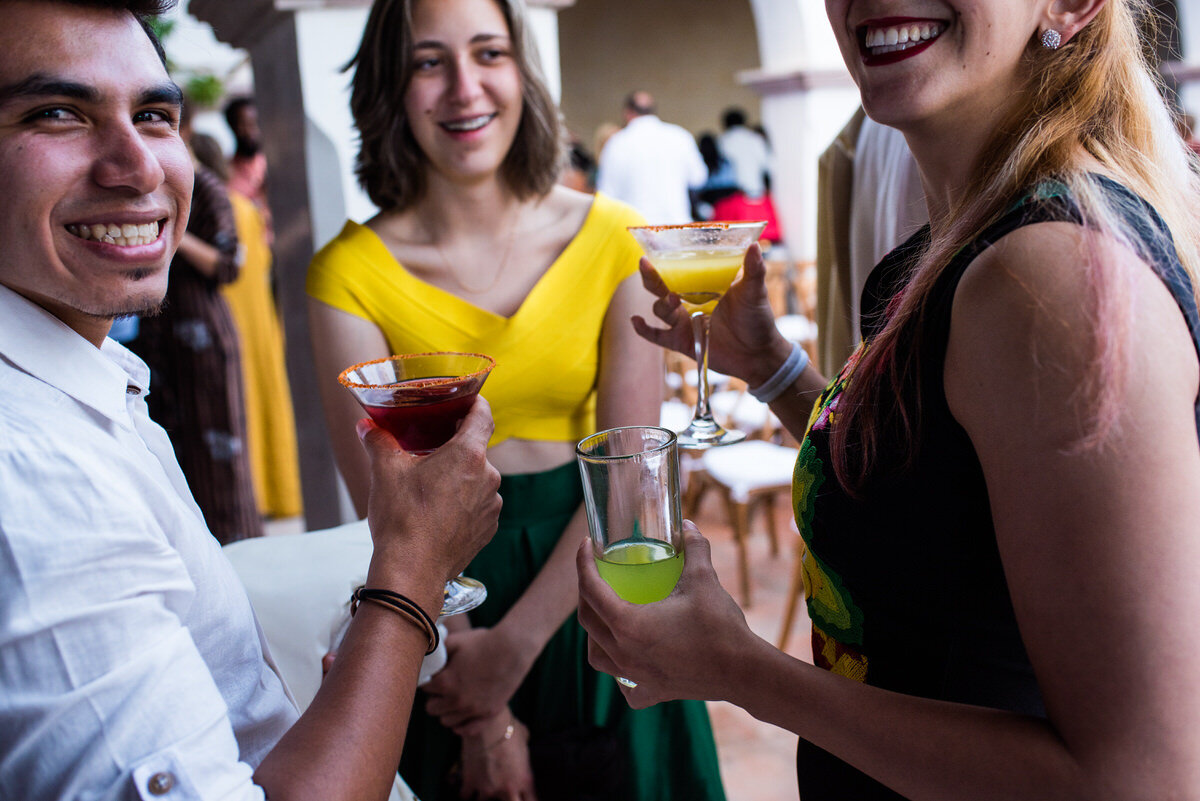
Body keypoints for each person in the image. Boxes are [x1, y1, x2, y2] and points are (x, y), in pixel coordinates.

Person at [579, 2, 1200, 800]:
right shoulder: (963, 240)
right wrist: (770, 365)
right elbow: (923, 496)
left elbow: (1138, 780)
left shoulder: (1050, 278)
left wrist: (740, 668)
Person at [0, 3, 502, 800]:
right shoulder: (31, 472)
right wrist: (408, 573)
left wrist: (379, 620)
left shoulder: (89, 381)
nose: (138, 166)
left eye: (155, 114)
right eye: (57, 113)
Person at [305, 1, 726, 799]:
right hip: (440, 608)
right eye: (429, 61)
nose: (465, 87)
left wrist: (515, 649)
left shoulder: (614, 238)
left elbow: (632, 480)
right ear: (389, 87)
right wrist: (481, 703)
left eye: (488, 52)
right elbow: (387, 506)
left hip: (598, 583)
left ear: (522, 74)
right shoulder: (346, 274)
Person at [130, 105, 262, 543]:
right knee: (169, 455)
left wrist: (171, 230)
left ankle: (239, 567)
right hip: (160, 335)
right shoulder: (155, 182)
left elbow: (228, 265)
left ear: (182, 128)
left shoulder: (204, 186)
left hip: (203, 335)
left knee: (220, 460)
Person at [595, 89, 706, 224]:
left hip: (635, 229)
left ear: (627, 113)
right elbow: (698, 178)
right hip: (676, 225)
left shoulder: (617, 143)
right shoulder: (680, 136)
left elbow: (606, 195)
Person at [716, 106, 771, 200]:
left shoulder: (722, 141)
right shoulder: (755, 139)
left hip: (731, 195)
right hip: (755, 191)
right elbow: (767, 164)